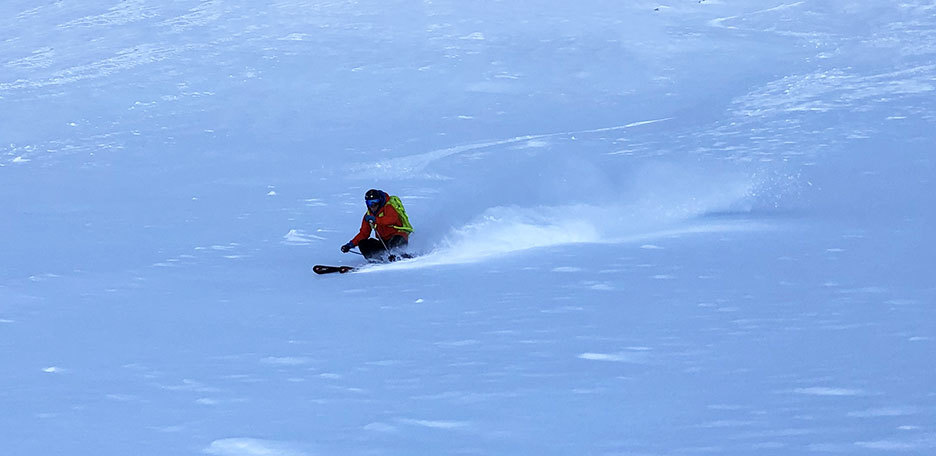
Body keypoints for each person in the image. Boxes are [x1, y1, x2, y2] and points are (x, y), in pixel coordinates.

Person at [340, 189, 411, 262]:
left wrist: (376, 220)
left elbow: (392, 219)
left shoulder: (388, 207)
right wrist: (350, 245)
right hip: (383, 242)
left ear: (379, 201)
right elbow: (363, 233)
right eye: (369, 202)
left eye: (375, 202)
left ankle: (399, 257)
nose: (372, 205)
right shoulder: (368, 216)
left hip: (398, 237)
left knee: (394, 243)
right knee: (363, 243)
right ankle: (376, 259)